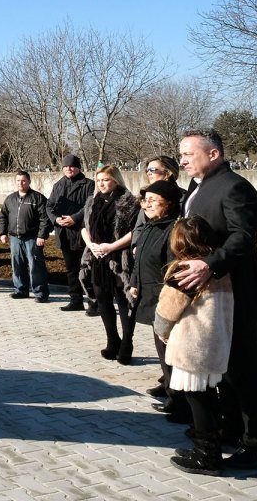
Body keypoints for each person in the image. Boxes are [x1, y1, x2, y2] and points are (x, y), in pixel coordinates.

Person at [175, 128, 257, 469]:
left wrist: (210, 265)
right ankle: (229, 430)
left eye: (188, 153)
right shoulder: (196, 187)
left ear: (213, 154)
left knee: (245, 371)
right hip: (212, 296)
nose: (182, 160)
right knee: (224, 369)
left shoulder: (235, 187)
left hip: (238, 294)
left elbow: (243, 236)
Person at [155, 215, 234, 476]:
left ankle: (206, 455)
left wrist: (162, 331)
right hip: (215, 343)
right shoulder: (218, 269)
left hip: (192, 345)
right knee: (208, 395)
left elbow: (168, 310)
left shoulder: (185, 270)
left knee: (196, 398)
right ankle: (211, 443)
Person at [127, 179, 185, 420]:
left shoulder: (173, 231)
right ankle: (172, 394)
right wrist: (134, 283)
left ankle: (179, 402)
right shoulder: (152, 226)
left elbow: (173, 270)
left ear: (169, 204)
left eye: (153, 200)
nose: (146, 205)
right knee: (162, 351)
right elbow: (140, 259)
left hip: (165, 301)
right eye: (145, 200)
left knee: (170, 352)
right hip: (149, 297)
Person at [81, 164, 140, 363]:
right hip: (98, 257)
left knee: (123, 302)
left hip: (119, 258)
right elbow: (84, 227)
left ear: (116, 180)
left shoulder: (129, 201)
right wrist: (91, 245)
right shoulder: (93, 201)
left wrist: (111, 246)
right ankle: (112, 340)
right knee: (103, 300)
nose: (101, 184)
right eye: (98, 180)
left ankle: (127, 343)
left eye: (105, 180)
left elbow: (135, 232)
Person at [47, 155, 95, 313]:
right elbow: (50, 206)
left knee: (88, 268)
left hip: (81, 233)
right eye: (66, 166)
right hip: (64, 234)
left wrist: (74, 218)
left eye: (72, 166)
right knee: (71, 270)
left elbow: (89, 205)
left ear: (79, 167)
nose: (69, 168)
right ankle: (76, 300)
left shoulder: (89, 184)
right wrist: (56, 220)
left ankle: (93, 302)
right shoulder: (58, 184)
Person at [0, 170, 52, 302]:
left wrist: (41, 235)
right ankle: (21, 290)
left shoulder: (37, 198)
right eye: (18, 181)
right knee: (17, 264)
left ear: (29, 182)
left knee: (35, 266)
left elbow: (45, 219)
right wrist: (2, 233)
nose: (20, 183)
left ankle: (40, 293)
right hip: (15, 238)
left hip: (32, 238)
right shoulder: (10, 199)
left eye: (23, 180)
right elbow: (3, 216)